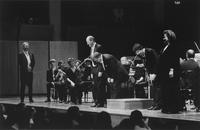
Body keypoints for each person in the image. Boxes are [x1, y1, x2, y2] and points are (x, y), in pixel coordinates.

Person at [156, 30, 181, 114]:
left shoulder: (174, 47)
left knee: (170, 90)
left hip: (170, 72)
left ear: (170, 37)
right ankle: (166, 107)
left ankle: (172, 108)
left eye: (165, 36)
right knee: (165, 90)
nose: (164, 37)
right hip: (164, 72)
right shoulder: (165, 47)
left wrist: (172, 70)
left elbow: (174, 60)